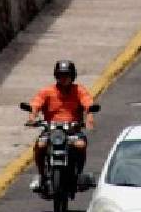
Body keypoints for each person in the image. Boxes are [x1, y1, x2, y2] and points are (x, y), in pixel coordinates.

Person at [27, 60, 95, 194]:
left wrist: (90, 116)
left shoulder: (79, 90)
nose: (63, 79)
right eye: (60, 75)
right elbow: (36, 103)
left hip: (72, 131)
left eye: (66, 75)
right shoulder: (48, 91)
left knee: (80, 145)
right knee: (40, 145)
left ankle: (78, 175)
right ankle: (42, 175)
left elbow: (88, 103)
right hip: (51, 131)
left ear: (72, 76)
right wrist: (32, 116)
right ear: (56, 76)